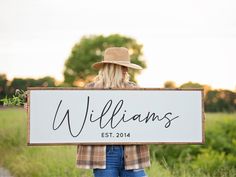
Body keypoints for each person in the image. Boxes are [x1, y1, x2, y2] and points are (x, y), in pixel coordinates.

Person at [76, 47, 150, 177]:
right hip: (105, 154)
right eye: (123, 67)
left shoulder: (135, 90)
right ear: (112, 69)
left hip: (132, 151)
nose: (126, 71)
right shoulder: (90, 91)